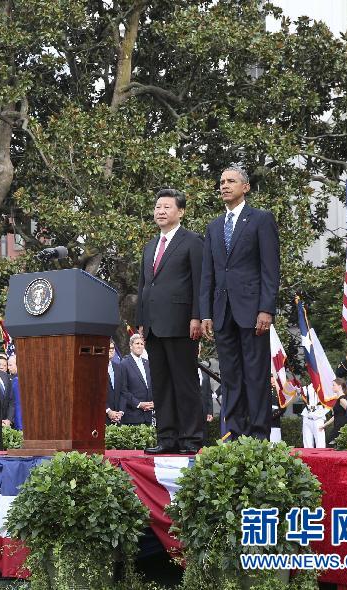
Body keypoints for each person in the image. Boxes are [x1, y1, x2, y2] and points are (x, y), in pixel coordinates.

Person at [200, 165, 280, 440]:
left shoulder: (260, 219)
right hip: (222, 312)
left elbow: (270, 269)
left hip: (253, 311)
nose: (224, 185)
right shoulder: (213, 226)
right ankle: (234, 432)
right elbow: (208, 274)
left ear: (245, 187)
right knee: (230, 375)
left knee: (256, 375)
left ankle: (258, 434)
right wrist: (206, 313)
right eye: (221, 181)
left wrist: (266, 308)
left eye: (231, 181)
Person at [137, 188, 204, 455]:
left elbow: (200, 283)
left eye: (166, 207)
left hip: (181, 323)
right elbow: (144, 286)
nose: (160, 212)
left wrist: (198, 316)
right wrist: (141, 321)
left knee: (184, 383)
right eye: (157, 207)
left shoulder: (192, 241)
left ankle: (191, 439)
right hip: (153, 325)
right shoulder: (150, 245)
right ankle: (167, 438)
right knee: (161, 384)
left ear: (181, 211)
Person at [118, 334, 154, 426]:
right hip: (133, 415)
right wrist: (139, 404)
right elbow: (123, 390)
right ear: (131, 346)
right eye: (137, 343)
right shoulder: (124, 364)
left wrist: (153, 403)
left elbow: (151, 385)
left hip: (149, 415)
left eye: (142, 344)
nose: (140, 346)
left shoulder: (147, 363)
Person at [322, 379, 347, 447]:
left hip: (341, 427)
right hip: (338, 427)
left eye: (334, 385)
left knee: (331, 444)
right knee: (331, 444)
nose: (332, 387)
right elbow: (336, 415)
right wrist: (325, 425)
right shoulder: (340, 399)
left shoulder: (342, 399)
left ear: (340, 387)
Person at [105, 341, 124, 425]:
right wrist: (108, 411)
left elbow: (124, 391)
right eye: (108, 348)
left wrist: (120, 412)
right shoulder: (95, 368)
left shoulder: (119, 367)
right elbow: (94, 393)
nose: (111, 350)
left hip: (118, 418)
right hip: (102, 417)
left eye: (112, 348)